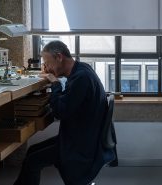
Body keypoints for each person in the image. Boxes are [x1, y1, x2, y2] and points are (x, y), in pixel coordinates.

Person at [14, 41, 115, 185]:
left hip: (79, 145)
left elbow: (60, 112)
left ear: (59, 57)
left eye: (48, 63)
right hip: (80, 137)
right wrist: (54, 81)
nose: (47, 68)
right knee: (32, 150)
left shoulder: (81, 79)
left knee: (33, 161)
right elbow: (69, 100)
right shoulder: (82, 69)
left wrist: (54, 83)